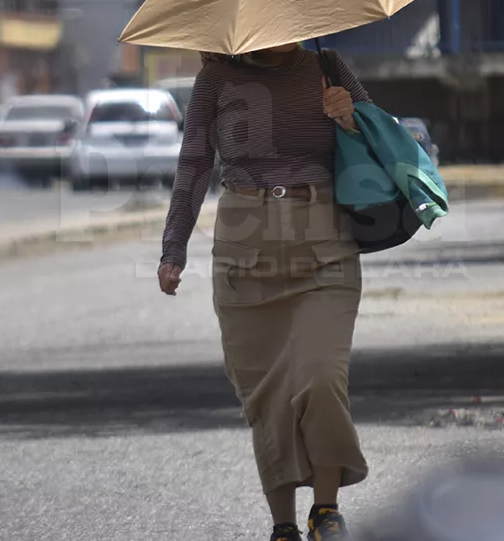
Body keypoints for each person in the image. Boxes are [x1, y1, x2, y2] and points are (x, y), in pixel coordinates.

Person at [158, 41, 371, 541]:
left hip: (324, 249)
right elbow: (193, 165)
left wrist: (350, 117)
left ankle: (326, 510)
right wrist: (174, 249)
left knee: (321, 378)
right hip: (244, 256)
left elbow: (385, 139)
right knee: (267, 395)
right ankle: (283, 525)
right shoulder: (215, 80)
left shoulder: (327, 64)